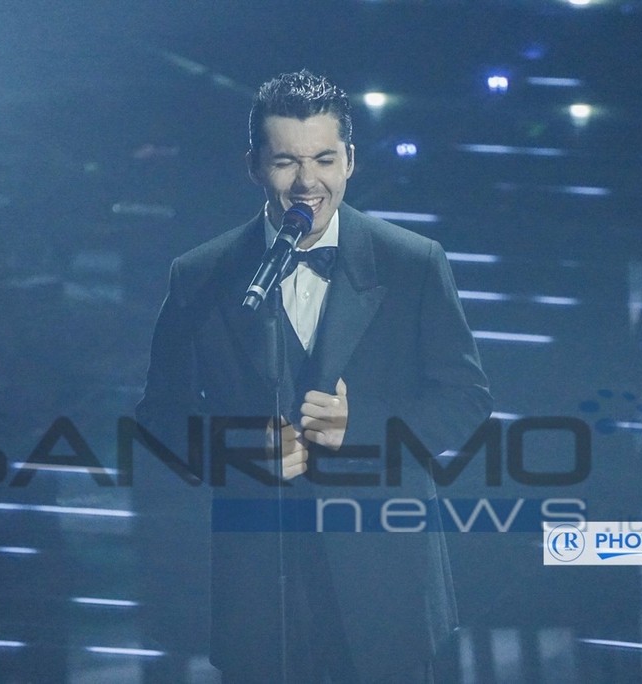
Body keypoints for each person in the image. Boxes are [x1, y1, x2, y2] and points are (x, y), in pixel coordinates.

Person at [136, 69, 492, 684]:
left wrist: (364, 428)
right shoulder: (200, 276)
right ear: (255, 166)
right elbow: (161, 416)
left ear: (350, 160)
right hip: (260, 578)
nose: (307, 182)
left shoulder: (412, 262)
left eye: (324, 159)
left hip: (386, 577)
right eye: (286, 162)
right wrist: (240, 449)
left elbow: (466, 399)